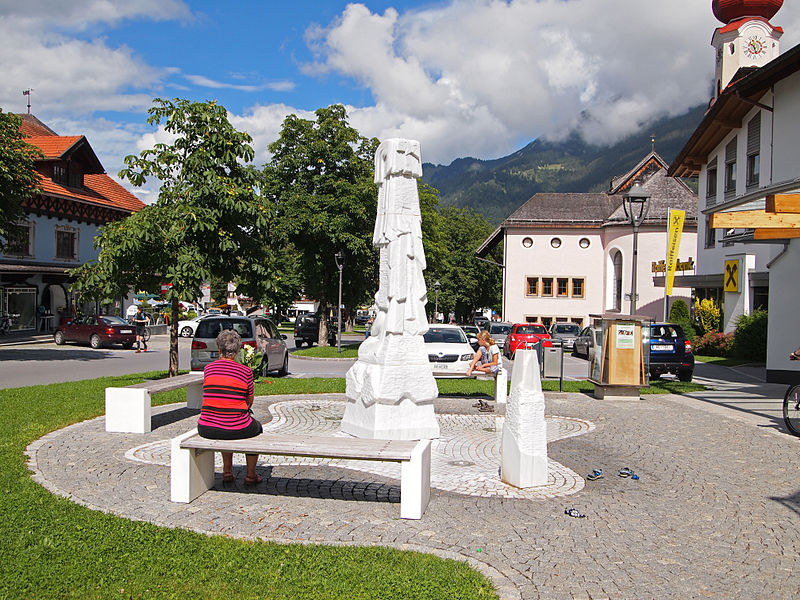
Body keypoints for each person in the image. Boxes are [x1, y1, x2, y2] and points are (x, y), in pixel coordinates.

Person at [197, 329, 263, 485]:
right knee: (257, 429)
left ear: (219, 350)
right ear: (238, 351)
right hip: (237, 426)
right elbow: (250, 400)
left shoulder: (209, 369)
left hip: (206, 426)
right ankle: (251, 475)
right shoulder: (245, 371)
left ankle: (227, 471)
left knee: (222, 423)